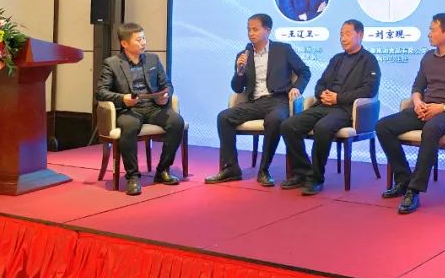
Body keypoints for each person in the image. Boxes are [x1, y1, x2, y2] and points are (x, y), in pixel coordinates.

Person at [375, 12, 445, 214]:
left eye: (432, 30)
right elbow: (417, 86)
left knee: (431, 129)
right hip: (424, 109)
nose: (429, 34)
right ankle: (403, 179)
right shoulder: (427, 57)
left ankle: (414, 190)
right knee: (383, 126)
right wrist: (417, 102)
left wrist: (443, 107)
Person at [205, 13, 311, 186]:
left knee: (275, 119)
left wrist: (296, 88)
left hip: (278, 100)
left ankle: (264, 169)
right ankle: (231, 168)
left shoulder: (283, 50)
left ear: (267, 30)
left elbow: (305, 71)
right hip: (254, 102)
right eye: (249, 29)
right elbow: (237, 88)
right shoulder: (243, 55)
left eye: (255, 29)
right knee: (223, 117)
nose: (251, 33)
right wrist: (239, 72)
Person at [279, 20, 381, 195]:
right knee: (288, 126)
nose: (343, 38)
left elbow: (369, 90)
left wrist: (338, 98)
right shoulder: (337, 59)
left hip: (346, 110)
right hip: (323, 105)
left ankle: (316, 178)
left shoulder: (369, 60)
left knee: (323, 128)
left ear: (360, 35)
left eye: (348, 34)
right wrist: (322, 95)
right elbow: (320, 83)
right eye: (341, 34)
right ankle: (303, 172)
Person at [96, 23, 184, 196]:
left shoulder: (153, 59)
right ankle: (133, 177)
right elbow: (101, 92)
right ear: (124, 43)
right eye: (138, 40)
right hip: (129, 109)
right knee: (128, 126)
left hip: (153, 108)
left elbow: (167, 84)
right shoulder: (112, 63)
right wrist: (122, 98)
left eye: (144, 38)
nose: (143, 42)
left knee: (176, 122)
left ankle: (163, 170)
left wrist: (165, 95)